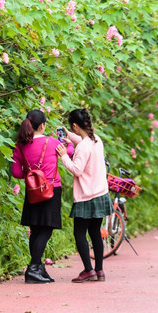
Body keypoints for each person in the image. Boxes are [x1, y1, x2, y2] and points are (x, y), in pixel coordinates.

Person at [12, 109, 74, 284]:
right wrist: (69, 144)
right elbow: (68, 154)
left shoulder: (20, 145)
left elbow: (16, 172)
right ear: (43, 125)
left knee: (36, 229)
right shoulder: (53, 142)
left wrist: (31, 175)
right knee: (46, 229)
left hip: (33, 192)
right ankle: (33, 268)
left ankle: (38, 267)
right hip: (51, 190)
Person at [56, 108, 113, 283]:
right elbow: (83, 141)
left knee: (79, 233)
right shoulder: (97, 140)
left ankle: (88, 270)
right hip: (101, 193)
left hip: (86, 196)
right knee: (95, 232)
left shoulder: (82, 148)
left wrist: (64, 156)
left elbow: (77, 170)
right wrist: (70, 137)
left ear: (74, 125)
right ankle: (99, 270)